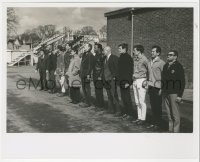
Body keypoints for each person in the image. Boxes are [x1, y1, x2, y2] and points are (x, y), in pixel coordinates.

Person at [162, 50, 185, 133]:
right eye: (168, 54)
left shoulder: (178, 66)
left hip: (174, 93)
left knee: (175, 114)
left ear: (175, 57)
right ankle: (170, 129)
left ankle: (176, 131)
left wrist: (180, 95)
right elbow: (163, 80)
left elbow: (182, 81)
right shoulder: (165, 66)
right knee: (169, 113)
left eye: (170, 55)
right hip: (166, 93)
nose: (168, 56)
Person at [146, 46, 165, 130]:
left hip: (158, 87)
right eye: (151, 51)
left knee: (158, 106)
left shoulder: (161, 63)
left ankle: (158, 124)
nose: (152, 53)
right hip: (151, 87)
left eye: (154, 51)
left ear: (158, 53)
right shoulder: (150, 62)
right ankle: (153, 123)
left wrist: (162, 88)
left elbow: (164, 77)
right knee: (153, 106)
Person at [132, 45, 148, 125]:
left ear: (139, 51)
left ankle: (143, 118)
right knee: (137, 101)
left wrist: (147, 81)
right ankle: (139, 117)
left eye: (134, 50)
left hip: (141, 80)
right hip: (135, 80)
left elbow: (149, 69)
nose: (133, 52)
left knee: (142, 101)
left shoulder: (144, 59)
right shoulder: (135, 59)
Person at [103, 46, 121, 114]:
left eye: (104, 51)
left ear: (107, 51)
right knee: (109, 95)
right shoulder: (105, 59)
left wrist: (114, 77)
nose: (103, 52)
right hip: (106, 79)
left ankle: (118, 110)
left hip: (112, 80)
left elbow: (117, 68)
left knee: (114, 95)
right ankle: (111, 109)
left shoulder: (114, 58)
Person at [118, 43, 134, 119]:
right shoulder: (121, 57)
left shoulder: (128, 58)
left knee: (127, 98)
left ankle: (130, 114)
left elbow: (130, 71)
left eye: (120, 48)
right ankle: (125, 112)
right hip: (121, 81)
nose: (118, 50)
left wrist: (128, 82)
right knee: (123, 98)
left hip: (126, 81)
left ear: (124, 49)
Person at [79, 43, 95, 108]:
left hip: (86, 74)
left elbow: (90, 66)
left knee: (87, 88)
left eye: (85, 46)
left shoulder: (90, 55)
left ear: (89, 48)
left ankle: (88, 102)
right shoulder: (84, 54)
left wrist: (88, 74)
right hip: (83, 74)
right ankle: (86, 101)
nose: (84, 47)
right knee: (83, 88)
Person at [93, 43, 105, 110]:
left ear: (99, 48)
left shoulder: (102, 56)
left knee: (99, 91)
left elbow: (103, 67)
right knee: (96, 91)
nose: (94, 49)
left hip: (99, 76)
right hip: (95, 75)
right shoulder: (96, 55)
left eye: (95, 47)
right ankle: (98, 105)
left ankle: (101, 105)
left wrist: (100, 76)